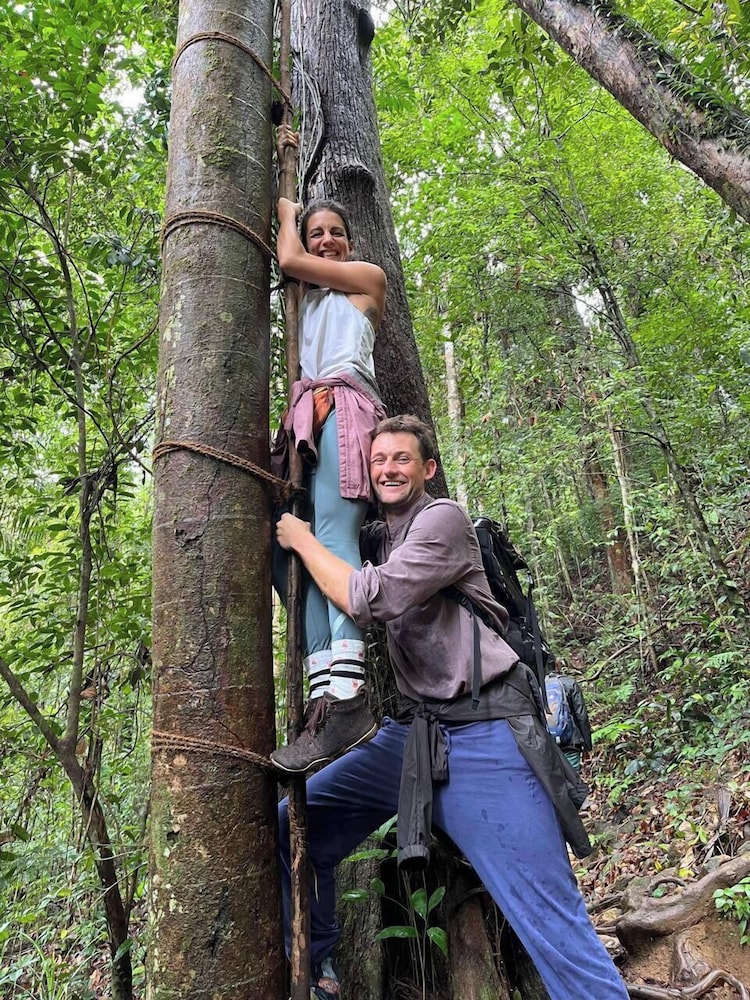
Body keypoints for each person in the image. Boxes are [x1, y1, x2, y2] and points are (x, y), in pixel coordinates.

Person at [276, 415, 629, 1000]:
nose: (388, 469)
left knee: (552, 923)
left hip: (488, 735)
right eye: (378, 460)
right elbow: (324, 559)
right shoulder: (375, 537)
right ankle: (319, 973)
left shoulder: (442, 519)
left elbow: (370, 597)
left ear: (428, 469)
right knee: (293, 824)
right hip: (415, 737)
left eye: (402, 459)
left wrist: (304, 540)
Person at [271, 125, 388, 774]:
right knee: (294, 548)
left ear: (350, 242)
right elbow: (289, 268)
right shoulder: (304, 302)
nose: (325, 241)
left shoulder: (365, 280)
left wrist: (287, 207)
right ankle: (325, 699)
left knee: (334, 539)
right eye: (316, 233)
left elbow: (288, 257)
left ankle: (350, 694)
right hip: (307, 417)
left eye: (334, 233)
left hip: (346, 409)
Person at [546, 656, 593, 773]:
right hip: (571, 742)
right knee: (574, 777)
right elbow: (581, 716)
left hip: (549, 744)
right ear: (557, 665)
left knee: (556, 779)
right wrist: (587, 746)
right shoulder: (570, 683)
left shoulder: (539, 687)